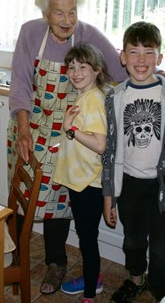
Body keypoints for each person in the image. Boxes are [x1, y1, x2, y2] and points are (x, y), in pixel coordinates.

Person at [7, 0, 165, 295]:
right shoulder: (30, 32)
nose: (67, 20)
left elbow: (127, 70)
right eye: (59, 13)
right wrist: (24, 130)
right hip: (32, 127)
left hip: (73, 133)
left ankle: (55, 263)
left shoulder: (89, 35)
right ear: (45, 13)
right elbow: (20, 82)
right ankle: (17, 260)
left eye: (72, 11)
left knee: (59, 205)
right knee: (25, 198)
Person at [102, 21, 165, 302]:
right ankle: (136, 279)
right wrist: (109, 195)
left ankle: (163, 292)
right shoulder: (115, 97)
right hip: (129, 185)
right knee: (132, 241)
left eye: (149, 52)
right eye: (134, 52)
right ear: (122, 56)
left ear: (160, 58)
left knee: (164, 250)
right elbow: (109, 151)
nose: (141, 60)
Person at [53, 43, 110, 303]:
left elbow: (100, 144)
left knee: (87, 240)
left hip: (89, 184)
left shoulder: (93, 100)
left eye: (83, 67)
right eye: (72, 67)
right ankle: (94, 279)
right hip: (82, 182)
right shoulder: (85, 96)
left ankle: (89, 294)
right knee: (86, 236)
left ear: (97, 69)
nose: (76, 73)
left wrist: (70, 129)